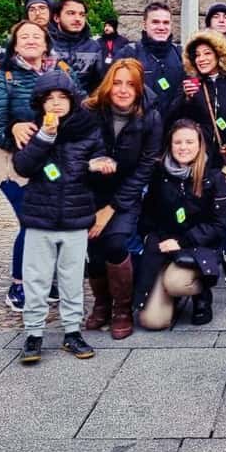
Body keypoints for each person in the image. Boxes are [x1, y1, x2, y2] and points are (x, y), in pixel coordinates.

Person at [13, 71, 106, 364]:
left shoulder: (87, 129)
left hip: (75, 218)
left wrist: (100, 165)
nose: (55, 103)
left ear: (73, 100)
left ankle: (72, 331)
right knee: (36, 278)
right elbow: (23, 166)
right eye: (49, 99)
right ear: (40, 104)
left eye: (62, 98)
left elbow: (98, 160)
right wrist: (44, 137)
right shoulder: (32, 130)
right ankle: (33, 333)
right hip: (39, 218)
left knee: (71, 278)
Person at [0, 21, 73, 312]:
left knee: (51, 220)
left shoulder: (62, 72)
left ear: (46, 43)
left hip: (50, 162)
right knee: (31, 221)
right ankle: (19, 285)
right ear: (15, 45)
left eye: (36, 36)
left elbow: (78, 107)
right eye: (24, 37)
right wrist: (13, 129)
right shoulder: (4, 77)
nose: (31, 40)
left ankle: (44, 279)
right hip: (14, 163)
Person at [82, 59, 162, 339]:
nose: (123, 90)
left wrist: (112, 207)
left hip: (126, 192)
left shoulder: (150, 117)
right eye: (117, 83)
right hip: (91, 190)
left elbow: (146, 166)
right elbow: (75, 152)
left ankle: (122, 308)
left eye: (130, 84)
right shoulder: (90, 111)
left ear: (139, 88)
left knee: (116, 243)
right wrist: (91, 164)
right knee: (93, 247)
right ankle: (102, 303)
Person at [134, 119, 226, 330]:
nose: (183, 147)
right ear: (170, 144)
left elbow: (220, 225)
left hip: (197, 247)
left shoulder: (214, 177)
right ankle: (168, 291)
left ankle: (200, 294)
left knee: (176, 283)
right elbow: (147, 213)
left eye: (189, 142)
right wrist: (150, 237)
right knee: (152, 322)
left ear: (200, 144)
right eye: (178, 142)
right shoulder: (158, 173)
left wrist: (182, 241)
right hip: (163, 246)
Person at [177, 30, 226, 284]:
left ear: (219, 53)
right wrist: (185, 97)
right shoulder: (191, 83)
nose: (201, 59)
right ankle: (209, 253)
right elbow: (177, 118)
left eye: (207, 53)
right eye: (196, 55)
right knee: (204, 206)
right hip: (203, 157)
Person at [116, 1, 184, 118]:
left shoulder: (181, 54)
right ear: (144, 25)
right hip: (140, 124)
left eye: (166, 22)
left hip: (174, 125)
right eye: (155, 22)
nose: (161, 27)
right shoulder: (129, 53)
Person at [49, 0, 104, 94]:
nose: (78, 19)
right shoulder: (46, 44)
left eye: (82, 15)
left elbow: (99, 84)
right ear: (56, 17)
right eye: (71, 13)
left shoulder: (93, 47)